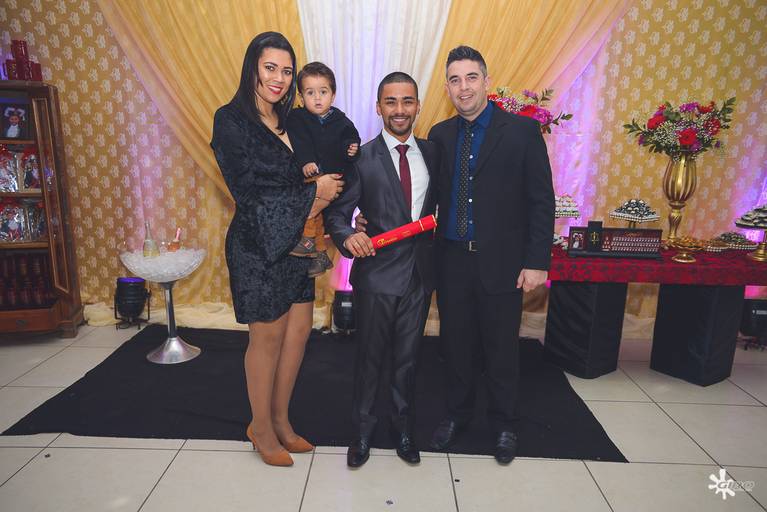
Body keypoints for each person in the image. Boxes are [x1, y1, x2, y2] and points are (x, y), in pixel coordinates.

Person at [210, 32, 344, 467]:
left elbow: (323, 166)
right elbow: (247, 193)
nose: (279, 79)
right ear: (252, 67)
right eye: (270, 68)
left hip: (298, 245)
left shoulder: (293, 119)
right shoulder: (230, 120)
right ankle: (261, 428)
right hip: (258, 245)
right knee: (266, 340)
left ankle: (282, 421)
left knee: (298, 335)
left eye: (287, 71)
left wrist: (340, 208)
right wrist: (314, 195)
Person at [427, 46, 554, 464]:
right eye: (455, 80)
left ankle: (504, 425)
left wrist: (537, 261)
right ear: (447, 87)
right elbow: (427, 199)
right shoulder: (440, 135)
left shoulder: (521, 131)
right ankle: (457, 415)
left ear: (486, 81)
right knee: (455, 346)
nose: (463, 87)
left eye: (471, 78)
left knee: (501, 350)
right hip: (452, 261)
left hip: (503, 263)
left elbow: (541, 200)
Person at [324, 72, 439, 468]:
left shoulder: (434, 153)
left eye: (407, 101)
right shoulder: (362, 158)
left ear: (418, 106)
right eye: (391, 102)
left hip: (420, 276)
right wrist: (348, 236)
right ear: (378, 107)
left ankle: (403, 429)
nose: (399, 110)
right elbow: (338, 215)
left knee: (409, 359)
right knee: (369, 359)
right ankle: (361, 432)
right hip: (376, 274)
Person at [286, 61, 361, 278]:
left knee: (315, 211)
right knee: (313, 212)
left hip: (336, 178)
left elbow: (351, 138)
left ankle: (308, 241)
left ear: (333, 95)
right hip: (310, 174)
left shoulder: (340, 120)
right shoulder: (298, 119)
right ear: (301, 97)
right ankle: (319, 252)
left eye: (323, 92)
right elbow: (299, 142)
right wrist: (306, 161)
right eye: (310, 93)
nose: (317, 98)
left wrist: (352, 149)